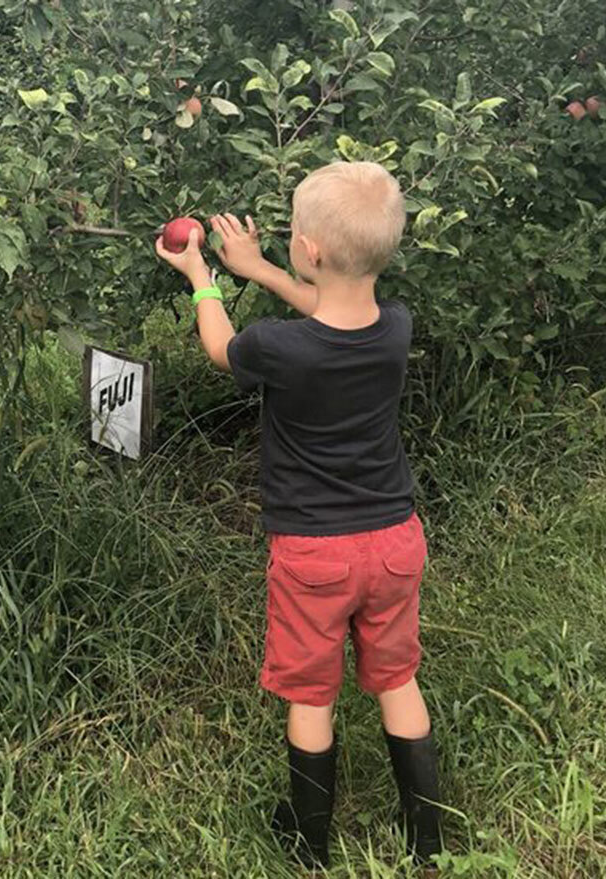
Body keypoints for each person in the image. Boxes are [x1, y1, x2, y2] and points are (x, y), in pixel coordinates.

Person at [155, 161, 443, 877]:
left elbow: (223, 347)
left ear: (309, 250)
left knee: (312, 694)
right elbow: (331, 310)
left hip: (316, 552)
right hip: (395, 542)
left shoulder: (277, 348)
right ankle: (428, 842)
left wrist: (207, 278)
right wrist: (261, 267)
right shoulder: (394, 328)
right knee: (396, 679)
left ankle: (309, 846)